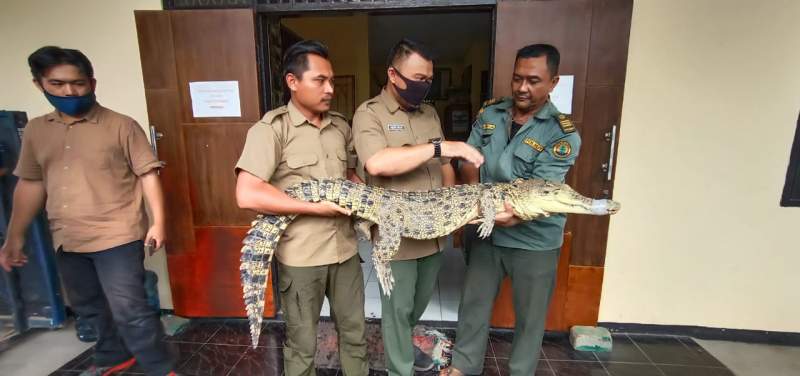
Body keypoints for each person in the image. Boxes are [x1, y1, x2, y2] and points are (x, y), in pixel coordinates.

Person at [0, 46, 175, 376]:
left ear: (92, 82)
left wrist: (158, 223)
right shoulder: (37, 130)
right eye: (58, 84)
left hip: (117, 234)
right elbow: (31, 184)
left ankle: (160, 368)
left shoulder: (121, 125)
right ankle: (114, 356)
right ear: (39, 84)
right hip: (67, 236)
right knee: (89, 306)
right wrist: (14, 237)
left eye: (78, 83)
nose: (70, 91)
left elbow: (147, 175)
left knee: (131, 308)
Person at [443, 44, 581, 376]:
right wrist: (476, 203)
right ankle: (463, 366)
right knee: (473, 304)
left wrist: (495, 211)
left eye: (533, 80)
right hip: (486, 232)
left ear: (553, 82)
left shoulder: (561, 134)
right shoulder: (490, 113)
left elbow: (539, 195)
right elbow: (469, 158)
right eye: (517, 78)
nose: (522, 87)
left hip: (533, 239)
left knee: (531, 317)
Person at [234, 40, 368, 376]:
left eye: (332, 81)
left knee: (355, 335)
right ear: (293, 82)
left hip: (346, 253)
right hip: (301, 257)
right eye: (319, 80)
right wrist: (313, 207)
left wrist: (364, 195)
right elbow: (247, 194)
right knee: (302, 344)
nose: (329, 89)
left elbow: (350, 174)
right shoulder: (272, 129)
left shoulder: (340, 126)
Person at [352, 38, 483, 376]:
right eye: (417, 78)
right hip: (397, 238)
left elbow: (444, 167)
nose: (423, 86)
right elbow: (378, 163)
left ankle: (401, 345)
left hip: (433, 232)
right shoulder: (370, 114)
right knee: (397, 311)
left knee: (416, 306)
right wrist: (441, 146)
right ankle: (400, 367)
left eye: (429, 79)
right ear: (394, 75)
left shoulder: (428, 113)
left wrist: (452, 208)